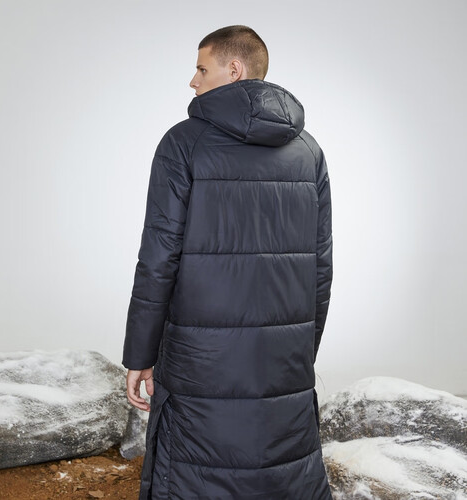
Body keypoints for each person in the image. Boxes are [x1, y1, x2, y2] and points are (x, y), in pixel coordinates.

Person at [122, 25, 333, 500]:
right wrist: (300, 348)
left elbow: (158, 257)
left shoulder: (183, 143)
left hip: (199, 357)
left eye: (201, 68)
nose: (192, 81)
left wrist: (139, 354)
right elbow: (321, 266)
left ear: (234, 70)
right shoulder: (308, 150)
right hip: (283, 356)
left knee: (193, 470)